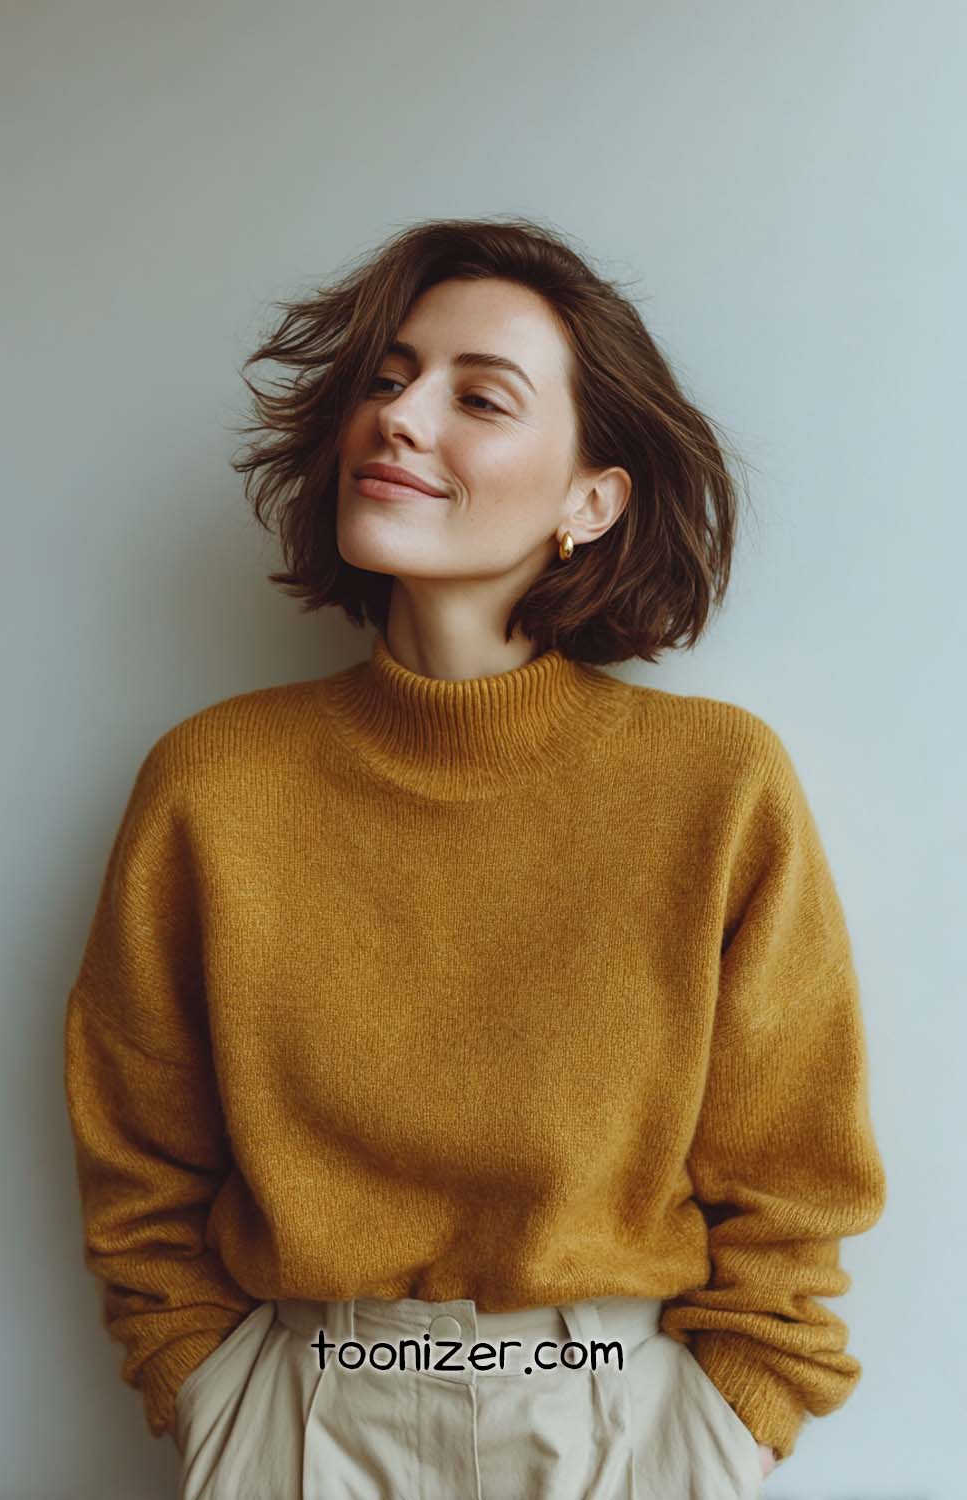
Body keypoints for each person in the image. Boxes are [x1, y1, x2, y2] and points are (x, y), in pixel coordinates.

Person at [63, 216, 887, 1499]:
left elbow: (797, 1175)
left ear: (590, 498)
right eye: (386, 381)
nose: (398, 418)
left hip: (622, 1430)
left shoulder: (716, 784)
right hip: (296, 1423)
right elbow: (138, 1161)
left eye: (479, 397)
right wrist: (208, 1388)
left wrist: (725, 1428)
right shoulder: (212, 784)